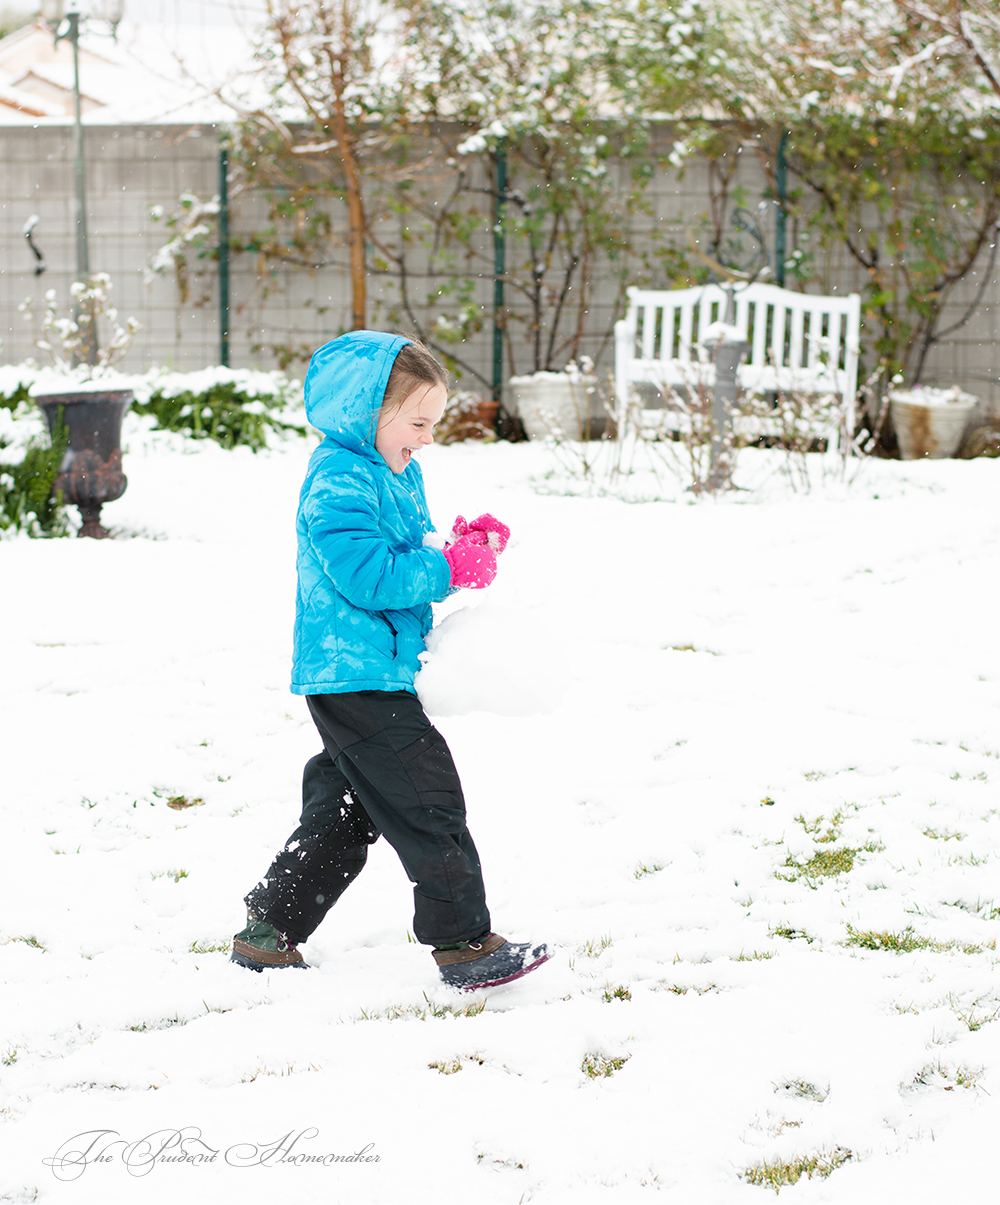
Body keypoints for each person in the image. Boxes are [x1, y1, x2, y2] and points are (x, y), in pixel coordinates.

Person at [230, 331, 549, 992]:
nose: (429, 437)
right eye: (419, 421)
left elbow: (407, 553)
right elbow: (369, 575)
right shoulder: (337, 478)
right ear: (366, 411)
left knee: (349, 808)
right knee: (426, 797)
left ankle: (268, 932)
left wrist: (460, 546)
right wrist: (446, 567)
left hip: (375, 668)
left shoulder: (393, 469)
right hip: (355, 674)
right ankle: (463, 943)